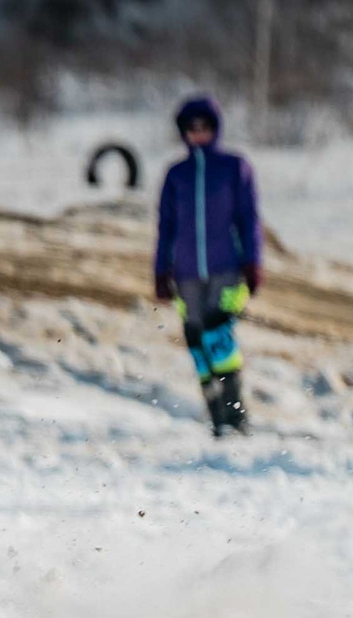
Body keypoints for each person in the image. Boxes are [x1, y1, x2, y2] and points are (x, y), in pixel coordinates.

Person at [153, 93, 263, 436]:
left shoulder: (234, 167)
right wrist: (160, 269)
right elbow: (165, 226)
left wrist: (253, 262)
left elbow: (249, 218)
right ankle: (216, 415)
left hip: (226, 267)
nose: (198, 133)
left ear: (215, 128)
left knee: (220, 334)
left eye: (205, 126)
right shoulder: (176, 175)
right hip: (186, 272)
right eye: (191, 127)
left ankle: (235, 412)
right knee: (197, 339)